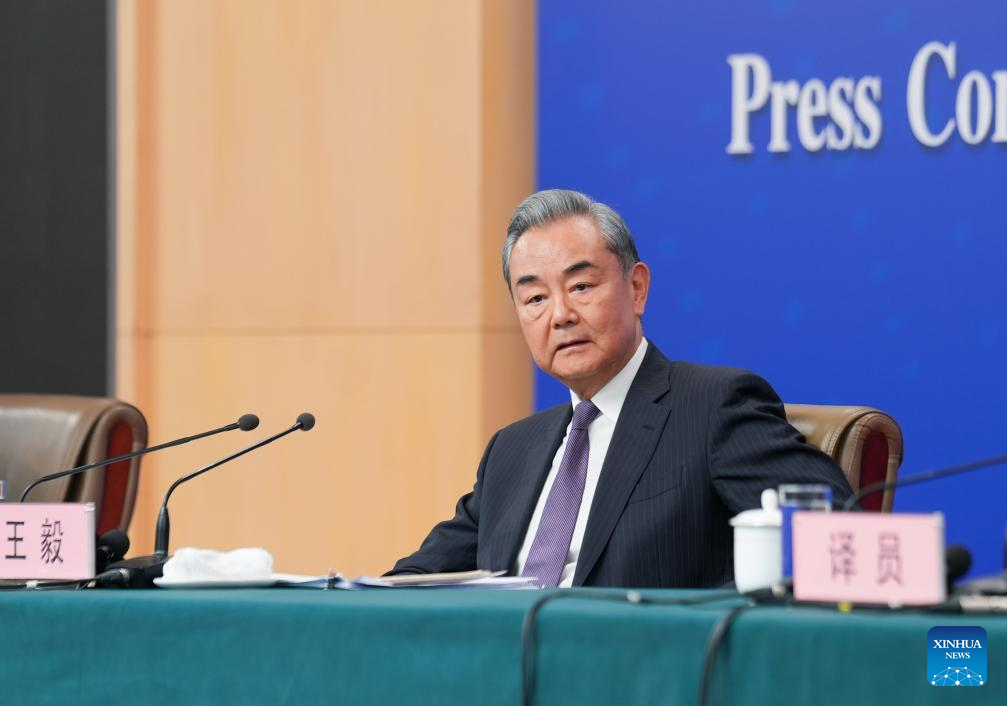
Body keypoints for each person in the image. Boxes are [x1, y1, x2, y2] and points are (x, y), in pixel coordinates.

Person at [390, 189, 853, 588]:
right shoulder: (511, 451)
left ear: (637, 288)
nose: (560, 314)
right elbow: (412, 582)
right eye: (535, 298)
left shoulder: (713, 407)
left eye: (581, 286)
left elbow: (832, 540)